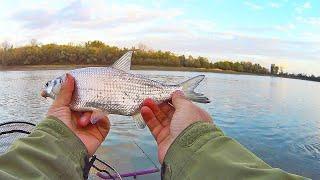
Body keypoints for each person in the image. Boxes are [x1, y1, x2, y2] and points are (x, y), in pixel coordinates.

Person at [0, 74, 307, 180]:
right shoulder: (75, 90)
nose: (51, 89)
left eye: (53, 86)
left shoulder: (74, 83)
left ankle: (180, 90)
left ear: (62, 86)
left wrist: (55, 144)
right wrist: (197, 146)